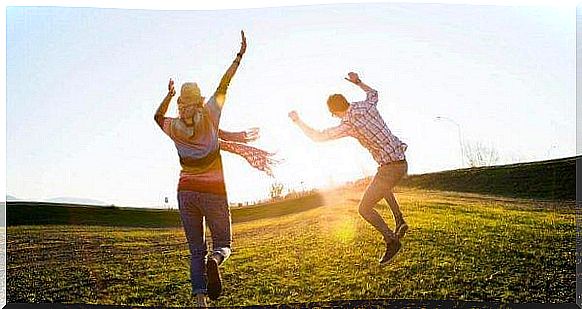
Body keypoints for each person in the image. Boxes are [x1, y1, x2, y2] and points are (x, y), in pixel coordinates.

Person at [154, 31, 276, 306]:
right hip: (214, 192)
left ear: (180, 102)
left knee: (195, 248)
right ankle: (216, 259)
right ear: (199, 98)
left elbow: (157, 117)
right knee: (224, 243)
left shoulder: (172, 126)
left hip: (186, 192)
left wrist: (168, 94)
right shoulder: (210, 112)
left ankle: (200, 302)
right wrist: (239, 56)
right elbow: (224, 83)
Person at [288, 72, 409, 265]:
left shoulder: (347, 124)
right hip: (401, 162)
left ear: (334, 113)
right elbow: (374, 93)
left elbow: (318, 137)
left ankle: (391, 240)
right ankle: (400, 220)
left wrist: (297, 121)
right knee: (382, 185)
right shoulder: (365, 105)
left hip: (390, 168)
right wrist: (358, 82)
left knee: (364, 208)